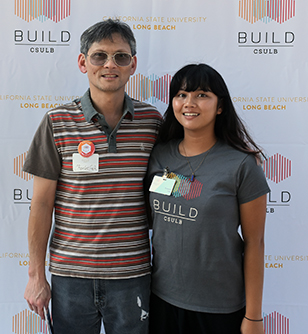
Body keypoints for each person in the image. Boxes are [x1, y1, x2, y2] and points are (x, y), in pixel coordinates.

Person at [23, 19, 162, 334]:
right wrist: (36, 276)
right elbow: (41, 205)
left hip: (133, 275)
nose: (110, 64)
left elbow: (167, 187)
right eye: (100, 56)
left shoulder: (152, 122)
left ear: (133, 64)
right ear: (83, 62)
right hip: (71, 278)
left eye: (120, 57)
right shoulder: (56, 122)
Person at [146, 63, 270, 334]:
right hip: (161, 301)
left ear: (220, 106)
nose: (189, 103)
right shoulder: (159, 156)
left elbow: (255, 243)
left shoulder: (241, 165)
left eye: (202, 95)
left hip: (219, 308)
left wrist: (254, 316)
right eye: (181, 94)